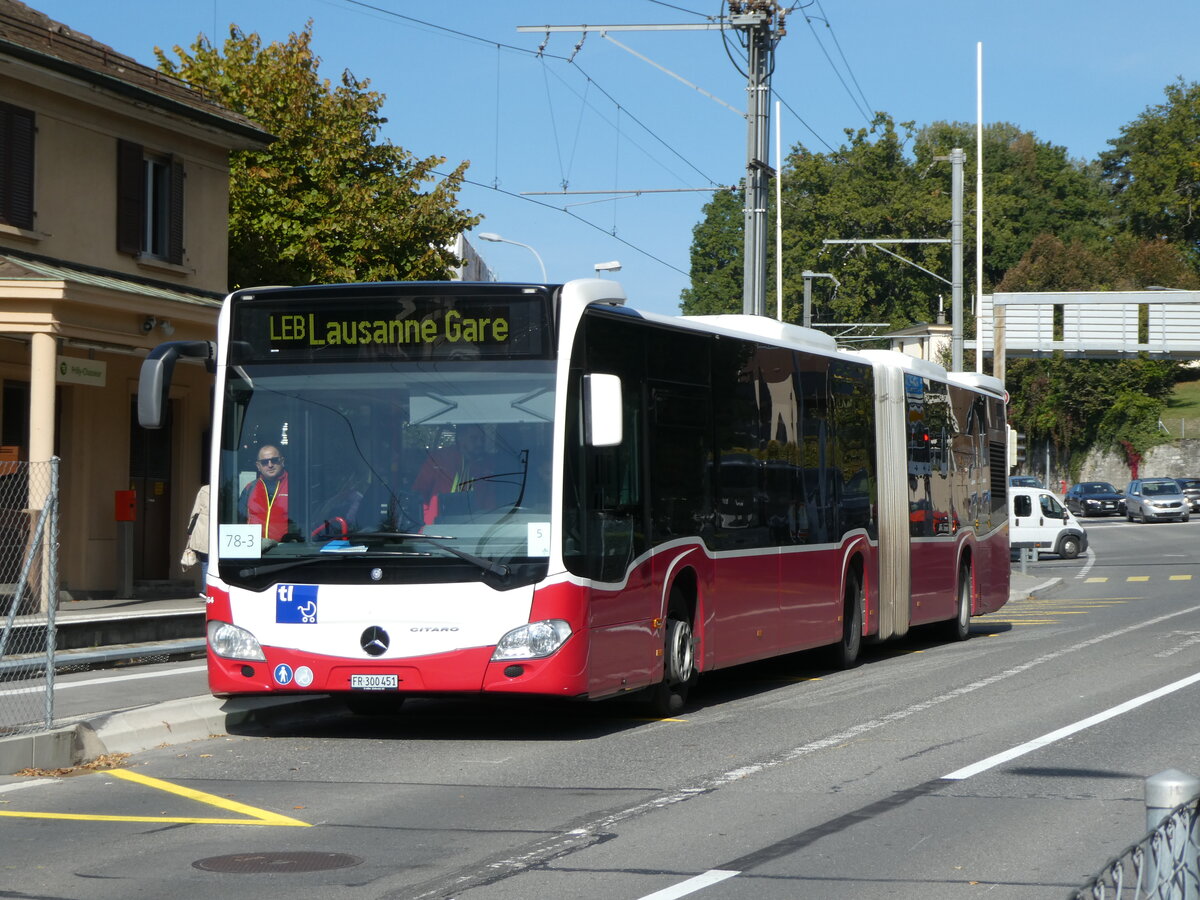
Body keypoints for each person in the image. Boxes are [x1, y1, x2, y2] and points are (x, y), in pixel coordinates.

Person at [411, 425, 496, 524]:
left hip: (475, 525)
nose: (479, 443)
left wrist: (489, 522)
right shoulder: (439, 459)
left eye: (482, 439)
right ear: (460, 438)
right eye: (474, 438)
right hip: (438, 524)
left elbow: (490, 500)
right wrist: (427, 521)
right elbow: (419, 493)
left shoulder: (487, 465)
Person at [238, 443, 293, 540]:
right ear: (258, 466)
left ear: (282, 461)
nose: (270, 465)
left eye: (274, 460)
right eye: (264, 462)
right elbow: (239, 521)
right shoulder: (250, 488)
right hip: (256, 549)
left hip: (286, 550)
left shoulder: (294, 486)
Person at [180, 484, 209, 597]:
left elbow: (196, 511)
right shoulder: (227, 487)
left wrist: (190, 531)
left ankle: (206, 590)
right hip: (220, 528)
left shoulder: (204, 490)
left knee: (205, 561)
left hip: (203, 528)